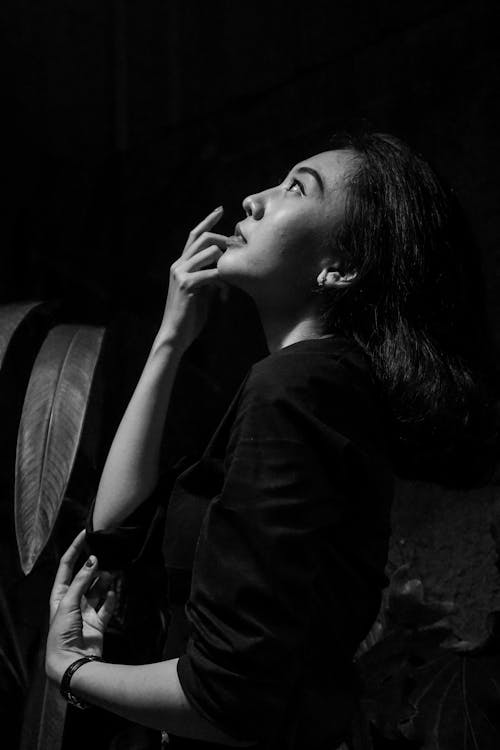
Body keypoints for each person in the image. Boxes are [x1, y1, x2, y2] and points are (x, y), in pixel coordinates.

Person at [45, 132, 493, 749]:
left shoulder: (299, 387)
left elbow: (230, 701)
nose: (252, 201)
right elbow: (113, 543)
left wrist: (73, 671)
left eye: (295, 188)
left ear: (340, 268)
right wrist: (170, 339)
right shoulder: (311, 387)